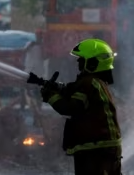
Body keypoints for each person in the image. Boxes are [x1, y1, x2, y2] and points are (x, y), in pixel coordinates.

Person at [41, 39, 122, 175]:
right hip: (104, 147)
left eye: (81, 60)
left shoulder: (88, 84)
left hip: (95, 149)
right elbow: (72, 90)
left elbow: (70, 109)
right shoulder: (96, 83)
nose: (78, 63)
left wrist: (50, 96)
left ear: (92, 63)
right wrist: (56, 87)